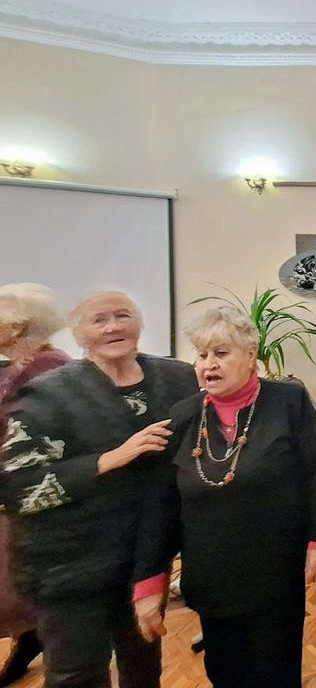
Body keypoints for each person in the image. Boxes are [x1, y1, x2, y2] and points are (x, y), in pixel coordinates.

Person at [0, 290, 198, 688]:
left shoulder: (178, 377)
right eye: (99, 319)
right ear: (79, 335)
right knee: (77, 674)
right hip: (71, 566)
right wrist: (108, 459)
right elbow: (16, 488)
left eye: (122, 315)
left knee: (143, 667)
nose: (113, 327)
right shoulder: (49, 393)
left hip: (145, 557)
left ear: (139, 324)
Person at [133, 306, 316, 688]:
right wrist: (148, 580)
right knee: (224, 672)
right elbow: (162, 504)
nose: (209, 364)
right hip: (212, 575)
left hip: (275, 571)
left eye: (221, 353)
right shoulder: (183, 416)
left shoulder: (288, 401)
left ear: (251, 354)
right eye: (202, 354)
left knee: (275, 673)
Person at [0, 284, 71, 685]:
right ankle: (30, 641)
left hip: (37, 495)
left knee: (24, 587)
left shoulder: (48, 366)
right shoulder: (20, 365)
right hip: (16, 491)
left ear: (17, 326)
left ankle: (47, 647)